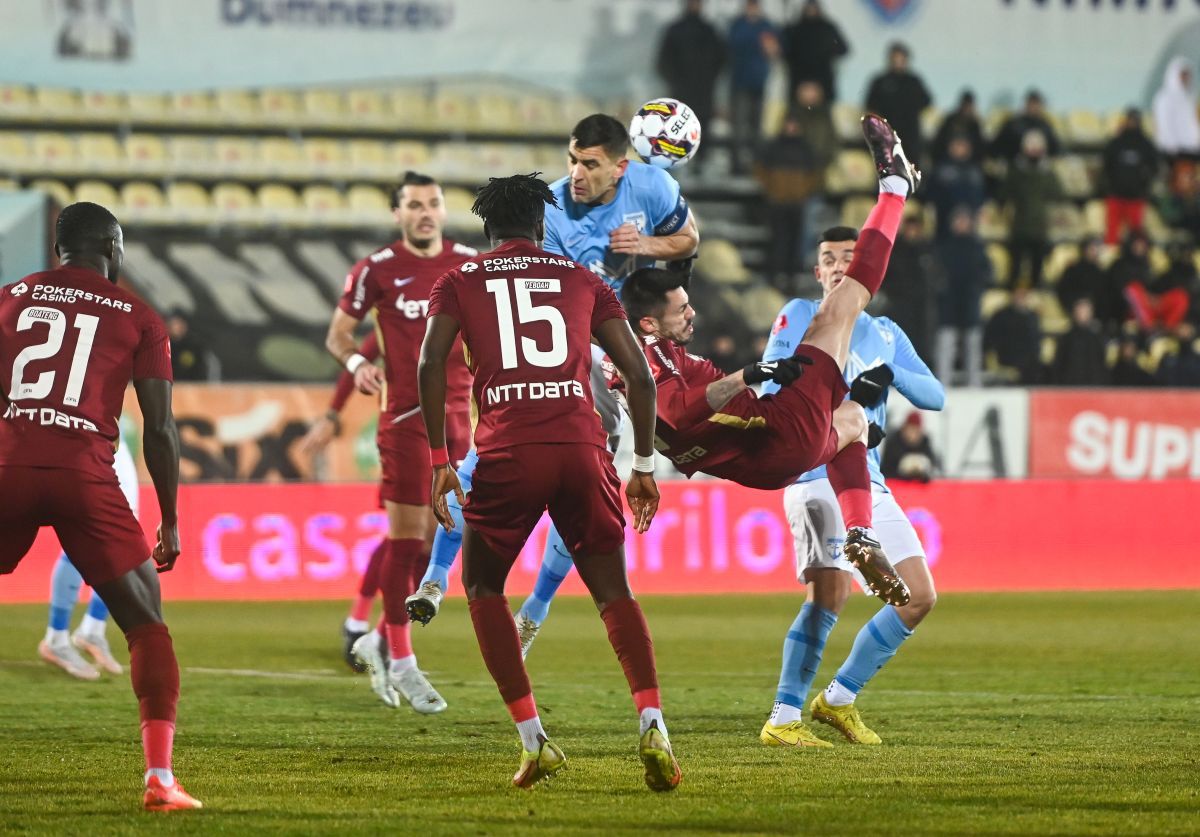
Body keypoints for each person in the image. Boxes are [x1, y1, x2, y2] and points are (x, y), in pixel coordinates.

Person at [418, 173, 680, 791]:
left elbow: (431, 363)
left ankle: (535, 742)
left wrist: (439, 459)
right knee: (614, 591)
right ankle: (652, 722)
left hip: (509, 452)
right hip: (581, 447)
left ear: (488, 229)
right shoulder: (583, 279)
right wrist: (642, 466)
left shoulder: (458, 281)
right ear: (542, 225)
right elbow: (639, 377)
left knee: (482, 584)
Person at [407, 114, 699, 654]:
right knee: (553, 469)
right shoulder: (554, 209)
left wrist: (644, 249)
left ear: (620, 166)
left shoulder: (655, 186)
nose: (576, 173)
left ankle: (533, 609)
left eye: (589, 163)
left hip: (629, 338)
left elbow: (688, 239)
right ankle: (436, 575)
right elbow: (558, 295)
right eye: (572, 160)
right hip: (578, 346)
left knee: (566, 484)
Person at [613, 116, 923, 623]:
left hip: (764, 465)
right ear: (649, 322)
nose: (693, 314)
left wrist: (655, 211)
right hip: (775, 431)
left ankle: (861, 533)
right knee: (841, 305)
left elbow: (667, 280)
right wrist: (750, 374)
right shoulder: (646, 357)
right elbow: (675, 409)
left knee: (853, 421)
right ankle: (894, 187)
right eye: (681, 310)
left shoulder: (635, 344)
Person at [0, 202, 199, 811]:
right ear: (113, 246)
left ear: (57, 246)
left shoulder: (8, 297)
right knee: (146, 627)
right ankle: (160, 780)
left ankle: (65, 636)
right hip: (85, 474)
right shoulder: (139, 316)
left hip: (6, 467)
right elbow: (161, 431)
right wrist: (168, 517)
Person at [758, 252, 943, 747]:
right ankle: (783, 717)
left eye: (850, 258)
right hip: (815, 472)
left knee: (919, 596)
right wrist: (842, 405)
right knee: (830, 592)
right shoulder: (801, 315)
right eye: (828, 259)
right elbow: (775, 382)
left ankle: (837, 700)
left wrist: (890, 375)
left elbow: (935, 396)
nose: (840, 266)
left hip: (868, 480)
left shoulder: (886, 333)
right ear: (817, 272)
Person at [323, 172, 477, 713]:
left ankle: (380, 641)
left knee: (444, 545)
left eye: (434, 203)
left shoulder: (469, 263)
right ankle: (403, 661)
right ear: (398, 214)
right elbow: (338, 333)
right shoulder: (377, 269)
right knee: (406, 540)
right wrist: (358, 362)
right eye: (414, 205)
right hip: (408, 419)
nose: (425, 213)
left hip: (464, 421)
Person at [296, 331, 386, 672]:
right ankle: (363, 626)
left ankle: (375, 632)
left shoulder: (465, 302)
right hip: (406, 432)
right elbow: (358, 357)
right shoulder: (403, 299)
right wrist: (332, 414)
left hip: (455, 432)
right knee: (408, 538)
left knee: (431, 540)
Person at [38, 439, 139, 679]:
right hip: (79, 438)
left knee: (122, 536)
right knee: (87, 531)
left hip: (106, 437)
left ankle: (92, 628)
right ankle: (56, 637)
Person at [754, 110, 823, 287]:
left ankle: (791, 276)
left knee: (794, 240)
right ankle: (775, 274)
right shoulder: (773, 147)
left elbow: (815, 174)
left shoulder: (806, 149)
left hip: (797, 203)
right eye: (789, 123)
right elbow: (760, 170)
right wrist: (772, 189)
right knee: (777, 239)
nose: (791, 128)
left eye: (794, 124)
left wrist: (802, 191)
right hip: (777, 202)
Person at [655, 0, 725, 169]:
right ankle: (678, 165)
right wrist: (675, 81)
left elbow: (722, 58)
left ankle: (700, 165)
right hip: (681, 91)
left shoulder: (709, 30)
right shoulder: (675, 30)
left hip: (703, 91)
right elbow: (663, 61)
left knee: (702, 129)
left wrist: (709, 79)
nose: (695, 5)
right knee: (678, 128)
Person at [935, 206, 991, 387]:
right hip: (948, 302)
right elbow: (935, 274)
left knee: (972, 347)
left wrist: (977, 288)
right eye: (958, 220)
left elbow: (987, 272)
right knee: (946, 345)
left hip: (970, 301)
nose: (961, 224)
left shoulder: (977, 247)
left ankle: (974, 386)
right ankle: (943, 385)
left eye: (964, 220)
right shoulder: (944, 247)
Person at [1000, 129, 1063, 287]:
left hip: (1040, 228)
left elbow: (1058, 193)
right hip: (1019, 227)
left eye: (1037, 147)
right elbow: (1004, 193)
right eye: (1031, 147)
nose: (1034, 150)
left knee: (1037, 273)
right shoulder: (1016, 171)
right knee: (1014, 272)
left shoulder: (1047, 171)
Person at [728, 0, 779, 175]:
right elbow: (732, 46)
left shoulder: (766, 26)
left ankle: (755, 165)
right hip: (740, 82)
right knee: (739, 128)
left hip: (758, 83)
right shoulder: (738, 25)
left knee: (756, 128)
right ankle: (737, 166)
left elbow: (776, 50)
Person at [864, 42, 932, 165]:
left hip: (910, 134)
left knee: (911, 169)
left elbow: (926, 101)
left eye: (901, 59)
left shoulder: (913, 81)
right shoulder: (880, 81)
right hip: (886, 133)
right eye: (895, 58)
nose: (898, 62)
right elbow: (871, 106)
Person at [1102, 108, 1160, 245]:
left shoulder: (1146, 144)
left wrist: (1144, 183)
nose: (1132, 123)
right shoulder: (1116, 143)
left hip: (1136, 197)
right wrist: (1109, 184)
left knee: (1136, 235)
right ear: (1125, 121)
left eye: (1135, 120)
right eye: (1130, 120)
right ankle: (1111, 258)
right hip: (1115, 195)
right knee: (1112, 234)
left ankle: (1132, 260)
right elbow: (1106, 166)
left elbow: (1155, 168)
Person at [781, 0, 849, 105]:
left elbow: (843, 49)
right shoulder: (794, 29)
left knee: (821, 118)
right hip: (798, 83)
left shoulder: (828, 29)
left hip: (823, 84)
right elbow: (785, 54)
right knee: (796, 117)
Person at [926, 134, 986, 241]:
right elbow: (932, 193)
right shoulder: (941, 170)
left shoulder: (974, 171)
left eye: (963, 146)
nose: (960, 149)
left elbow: (979, 195)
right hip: (944, 219)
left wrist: (967, 215)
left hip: (970, 219)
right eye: (957, 145)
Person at [983, 284, 1042, 384]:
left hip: (1028, 367)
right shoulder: (1001, 316)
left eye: (1024, 295)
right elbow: (990, 340)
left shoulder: (1033, 317)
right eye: (1018, 294)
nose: (1020, 298)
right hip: (1005, 361)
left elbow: (1036, 343)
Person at [990, 90, 1061, 165]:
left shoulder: (1045, 126)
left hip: (1041, 166)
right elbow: (998, 145)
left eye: (1036, 104)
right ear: (1026, 105)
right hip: (1017, 164)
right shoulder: (1014, 124)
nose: (1034, 107)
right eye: (1031, 104)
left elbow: (1056, 147)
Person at [1051, 299, 1109, 386]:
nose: (1083, 314)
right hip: (1069, 389)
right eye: (1080, 310)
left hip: (1092, 390)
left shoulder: (1097, 339)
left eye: (1086, 311)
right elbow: (1058, 365)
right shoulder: (1066, 338)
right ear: (1074, 313)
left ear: (1091, 313)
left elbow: (1101, 366)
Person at [930, 90, 986, 166]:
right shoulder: (950, 121)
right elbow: (938, 144)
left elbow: (980, 148)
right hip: (947, 161)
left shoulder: (974, 125)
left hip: (970, 164)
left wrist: (968, 151)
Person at [880, 411, 939, 483]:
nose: (912, 435)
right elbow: (888, 468)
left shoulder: (925, 442)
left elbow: (931, 463)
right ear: (904, 428)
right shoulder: (894, 441)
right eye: (911, 429)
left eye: (916, 431)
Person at [1055, 236, 1106, 316]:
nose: (1094, 252)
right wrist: (1075, 307)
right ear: (1084, 250)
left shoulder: (1100, 272)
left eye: (1097, 249)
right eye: (1091, 249)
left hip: (1097, 316)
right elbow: (1063, 291)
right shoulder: (1073, 270)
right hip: (1076, 312)